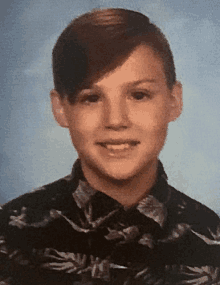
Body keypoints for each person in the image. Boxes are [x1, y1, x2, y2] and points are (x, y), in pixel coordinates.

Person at [0, 8, 219, 285]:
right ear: (60, 109)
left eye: (139, 95)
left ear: (173, 101)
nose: (116, 121)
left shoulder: (213, 243)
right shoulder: (9, 234)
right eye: (91, 98)